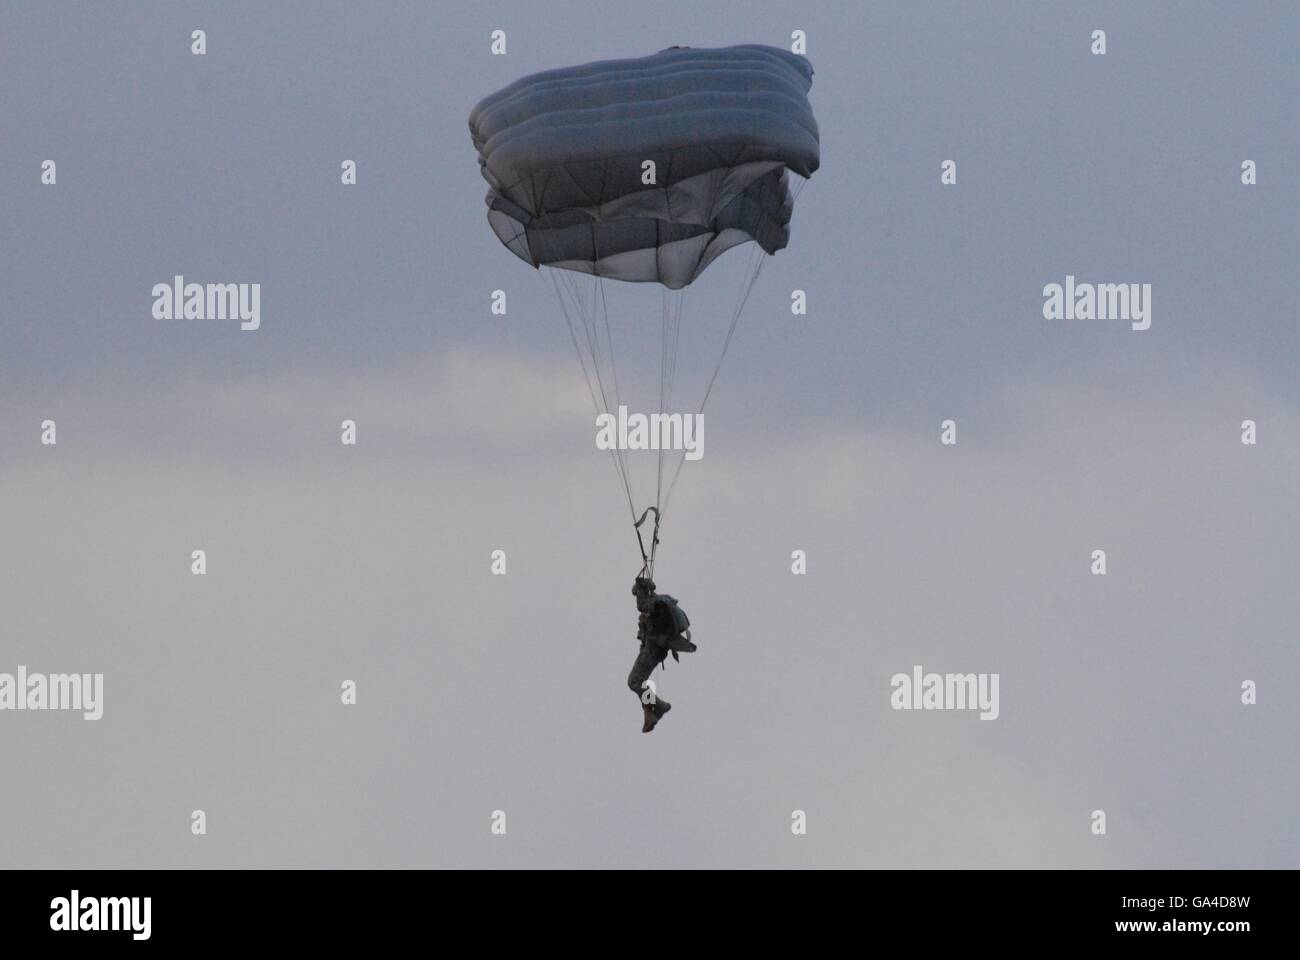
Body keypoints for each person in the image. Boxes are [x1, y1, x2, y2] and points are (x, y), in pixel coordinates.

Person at [627, 576, 673, 733]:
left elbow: (642, 605)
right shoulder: (656, 605)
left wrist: (639, 588)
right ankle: (650, 713)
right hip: (652, 649)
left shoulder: (654, 604)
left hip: (653, 649)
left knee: (634, 681)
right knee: (640, 681)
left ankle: (659, 706)